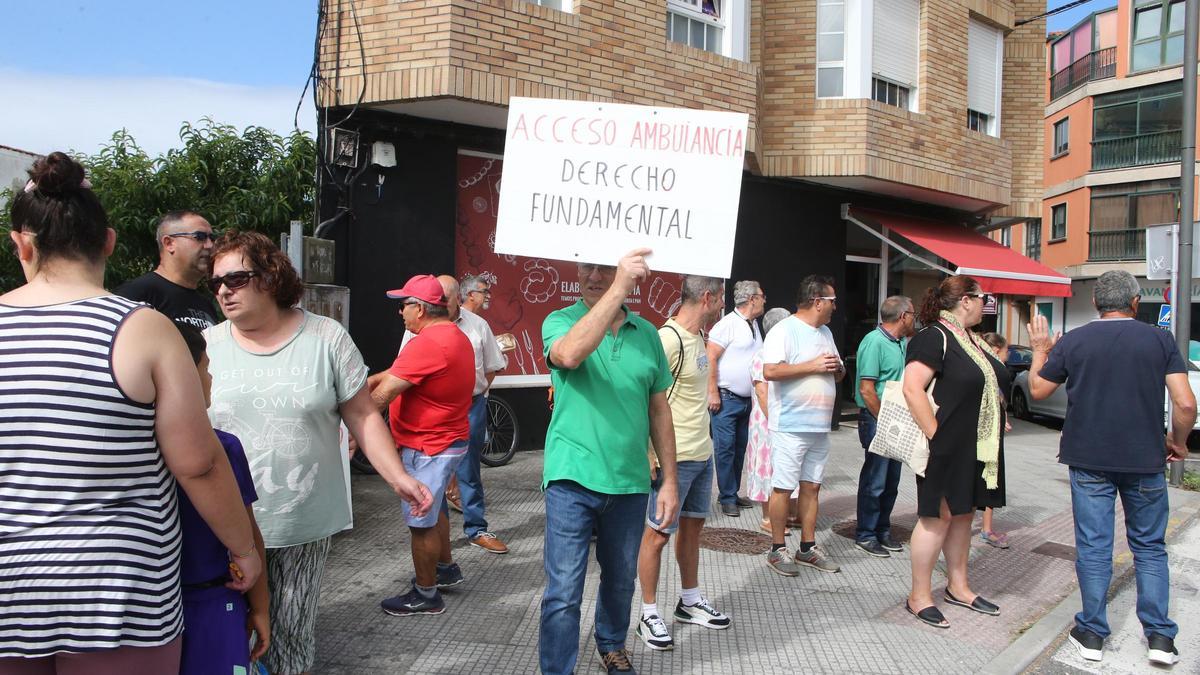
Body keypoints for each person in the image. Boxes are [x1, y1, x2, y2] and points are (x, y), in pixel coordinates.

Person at [0, 152, 260, 671]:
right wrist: (244, 549)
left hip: (11, 586)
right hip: (121, 590)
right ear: (109, 242)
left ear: (21, 244)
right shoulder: (143, 328)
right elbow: (198, 463)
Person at [205, 231, 432, 674]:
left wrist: (398, 477)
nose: (223, 291)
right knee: (229, 643)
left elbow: (362, 416)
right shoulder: (207, 346)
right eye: (215, 282)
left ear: (270, 276)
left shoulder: (325, 337)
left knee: (289, 639)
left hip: (302, 519)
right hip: (224, 525)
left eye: (236, 279)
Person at [1027, 270, 1194, 667]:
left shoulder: (1075, 340)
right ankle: (1159, 637)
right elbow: (1186, 404)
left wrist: (1039, 350)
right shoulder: (1159, 339)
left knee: (1094, 546)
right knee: (1150, 547)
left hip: (1088, 460)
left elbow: (1037, 390)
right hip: (1145, 459)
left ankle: (1092, 633)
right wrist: (1178, 441)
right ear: (1134, 302)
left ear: (1097, 303)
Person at [539, 249, 679, 675]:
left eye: (606, 268)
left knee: (620, 581)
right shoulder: (560, 320)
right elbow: (569, 355)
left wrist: (670, 481)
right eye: (589, 266)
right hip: (571, 478)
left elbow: (659, 409)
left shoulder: (648, 334)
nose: (595, 276)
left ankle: (612, 644)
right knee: (564, 591)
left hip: (630, 481)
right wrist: (619, 286)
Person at [901, 275, 1005, 629]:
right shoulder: (935, 336)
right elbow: (912, 388)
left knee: (963, 514)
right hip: (946, 444)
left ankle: (958, 587)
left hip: (974, 444)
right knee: (937, 516)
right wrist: (937, 437)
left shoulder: (972, 339)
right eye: (983, 298)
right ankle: (919, 596)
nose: (985, 305)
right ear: (966, 300)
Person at [369, 275, 475, 616]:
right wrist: (367, 381)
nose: (400, 312)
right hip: (446, 440)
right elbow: (398, 373)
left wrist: (356, 425)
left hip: (429, 446)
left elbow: (383, 397)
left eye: (403, 305)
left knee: (421, 520)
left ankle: (426, 594)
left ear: (420, 308)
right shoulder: (452, 335)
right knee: (434, 507)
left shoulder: (428, 343)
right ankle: (444, 568)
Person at [635, 275, 731, 652]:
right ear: (707, 297)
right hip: (673, 461)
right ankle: (648, 613)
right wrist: (649, 453)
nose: (723, 304)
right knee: (657, 535)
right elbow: (644, 398)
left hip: (702, 454)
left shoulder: (700, 338)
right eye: (721, 297)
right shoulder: (668, 339)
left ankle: (689, 602)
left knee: (692, 530)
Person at [173, 322, 270, 674]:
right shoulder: (222, 449)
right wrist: (261, 608)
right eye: (206, 367)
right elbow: (248, 534)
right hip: (214, 601)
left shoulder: (129, 452)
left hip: (153, 605)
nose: (210, 377)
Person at [762, 276, 845, 576]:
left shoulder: (825, 332)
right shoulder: (784, 330)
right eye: (832, 301)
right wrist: (813, 366)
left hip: (819, 426)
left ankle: (807, 547)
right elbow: (770, 370)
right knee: (784, 488)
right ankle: (777, 548)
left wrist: (837, 369)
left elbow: (836, 371)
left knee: (812, 487)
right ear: (817, 301)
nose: (835, 306)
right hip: (790, 425)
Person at [426, 275, 509, 552]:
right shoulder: (421, 323)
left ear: (458, 298)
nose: (439, 303)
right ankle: (436, 534)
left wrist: (478, 392)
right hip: (433, 407)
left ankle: (476, 529)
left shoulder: (477, 325)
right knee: (433, 472)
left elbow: (493, 365)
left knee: (469, 469)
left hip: (470, 405)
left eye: (444, 298)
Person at [853, 295, 916, 558]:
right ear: (903, 316)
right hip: (877, 419)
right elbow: (867, 390)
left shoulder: (901, 342)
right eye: (913, 314)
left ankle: (882, 529)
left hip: (895, 420)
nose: (915, 319)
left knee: (891, 480)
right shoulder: (874, 342)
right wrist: (884, 419)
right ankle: (866, 534)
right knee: (875, 479)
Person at [706, 279, 765, 516]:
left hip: (747, 400)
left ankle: (732, 492)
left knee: (740, 448)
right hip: (726, 398)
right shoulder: (727, 324)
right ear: (752, 299)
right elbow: (710, 357)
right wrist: (712, 392)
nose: (765, 300)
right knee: (725, 449)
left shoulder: (754, 324)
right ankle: (727, 496)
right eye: (762, 296)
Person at [742, 307, 798, 534]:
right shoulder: (762, 356)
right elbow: (762, 393)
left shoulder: (784, 354)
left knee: (784, 466)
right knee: (767, 468)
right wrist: (777, 422)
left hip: (784, 420)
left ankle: (788, 514)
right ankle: (768, 518)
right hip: (767, 423)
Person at [117, 209, 220, 328]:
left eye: (212, 238)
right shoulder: (135, 294)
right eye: (200, 237)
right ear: (169, 243)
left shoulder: (206, 305)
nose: (210, 245)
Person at [978, 331, 1013, 549]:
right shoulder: (998, 369)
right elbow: (1000, 400)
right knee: (991, 474)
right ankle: (987, 529)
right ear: (997, 349)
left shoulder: (977, 364)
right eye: (1007, 350)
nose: (1008, 355)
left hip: (977, 428)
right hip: (990, 432)